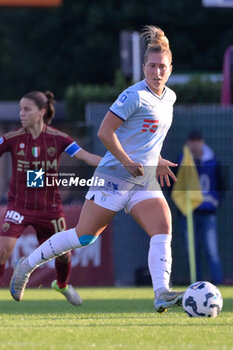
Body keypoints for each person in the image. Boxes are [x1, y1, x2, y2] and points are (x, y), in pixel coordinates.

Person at [10, 26, 184, 313]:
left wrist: (158, 157)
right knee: (84, 236)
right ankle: (26, 265)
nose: (156, 72)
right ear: (143, 67)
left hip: (143, 179)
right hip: (115, 175)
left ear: (170, 68)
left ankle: (161, 293)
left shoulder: (170, 98)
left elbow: (146, 135)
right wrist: (127, 160)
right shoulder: (133, 96)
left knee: (162, 226)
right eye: (151, 66)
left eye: (162, 67)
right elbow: (105, 132)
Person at [0, 90, 101, 305]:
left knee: (64, 255)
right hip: (19, 206)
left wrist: (119, 163)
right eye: (20, 109)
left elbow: (86, 157)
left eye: (27, 109)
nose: (21, 114)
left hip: (50, 208)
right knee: (3, 250)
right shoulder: (12, 138)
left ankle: (62, 285)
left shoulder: (59, 139)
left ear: (41, 112)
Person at [178, 130, 223, 284]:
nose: (195, 144)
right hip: (188, 212)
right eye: (192, 141)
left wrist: (215, 202)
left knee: (211, 250)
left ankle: (217, 283)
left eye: (198, 141)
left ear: (202, 142)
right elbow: (175, 186)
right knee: (192, 251)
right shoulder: (182, 160)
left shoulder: (213, 161)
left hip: (208, 211)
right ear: (188, 143)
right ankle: (195, 283)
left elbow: (220, 183)